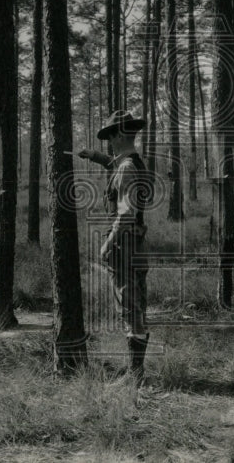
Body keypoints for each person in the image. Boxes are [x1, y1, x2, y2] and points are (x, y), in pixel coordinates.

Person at [78, 110, 151, 381]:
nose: (108, 141)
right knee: (136, 305)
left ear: (119, 134)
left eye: (110, 135)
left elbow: (126, 212)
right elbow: (115, 165)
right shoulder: (131, 163)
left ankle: (135, 375)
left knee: (130, 307)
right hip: (135, 243)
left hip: (125, 244)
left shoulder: (127, 168)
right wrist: (94, 156)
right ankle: (137, 371)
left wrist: (107, 244)